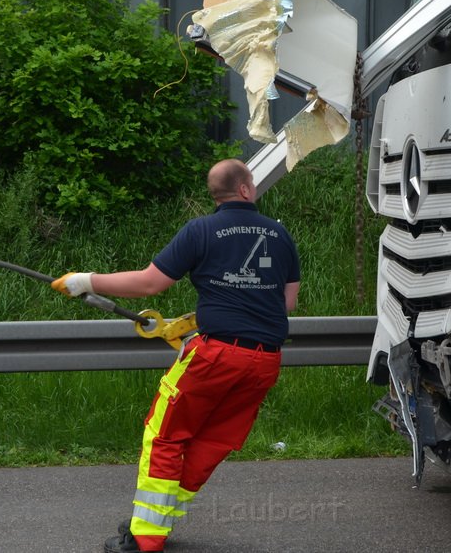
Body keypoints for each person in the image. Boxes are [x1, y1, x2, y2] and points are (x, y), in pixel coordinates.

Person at [51, 158, 301, 553]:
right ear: (246, 189)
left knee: (164, 435)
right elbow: (284, 303)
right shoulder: (279, 235)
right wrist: (194, 321)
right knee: (212, 441)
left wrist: (86, 281)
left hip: (216, 356)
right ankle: (156, 522)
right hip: (265, 360)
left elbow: (150, 283)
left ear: (216, 194)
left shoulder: (201, 230)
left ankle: (145, 539)